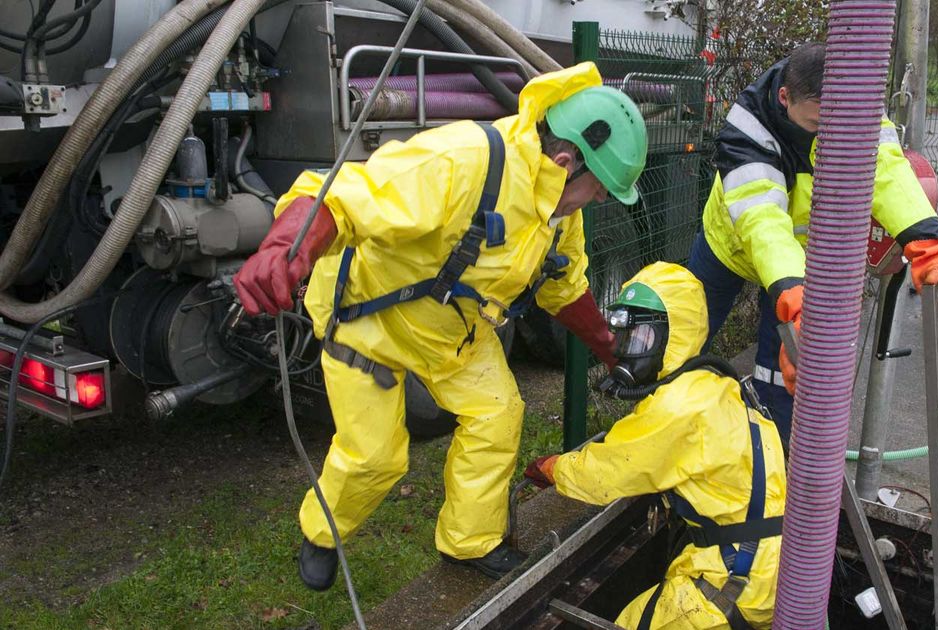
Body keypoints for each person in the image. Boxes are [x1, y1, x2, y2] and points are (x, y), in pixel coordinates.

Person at [232, 62, 648, 589]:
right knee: (375, 457)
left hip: (453, 332)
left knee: (498, 416)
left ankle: (469, 542)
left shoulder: (559, 211)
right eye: (602, 189)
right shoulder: (462, 161)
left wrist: (611, 350)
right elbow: (338, 197)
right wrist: (282, 249)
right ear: (565, 162)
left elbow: (562, 286)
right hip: (368, 321)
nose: (601, 200)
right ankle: (322, 531)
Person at [687, 42, 938, 442]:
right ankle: (672, 427)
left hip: (800, 269)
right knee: (687, 335)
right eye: (814, 126)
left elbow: (886, 171)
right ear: (784, 98)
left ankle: (777, 459)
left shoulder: (855, 107)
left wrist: (928, 241)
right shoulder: (747, 130)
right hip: (732, 250)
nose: (825, 139)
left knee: (786, 370)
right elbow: (763, 223)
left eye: (833, 128)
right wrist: (792, 292)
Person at [525, 262, 787, 630]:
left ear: (674, 335)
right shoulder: (713, 384)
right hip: (779, 566)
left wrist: (554, 468)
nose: (629, 350)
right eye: (626, 336)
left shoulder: (677, 406)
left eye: (642, 338)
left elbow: (607, 472)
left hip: (735, 578)